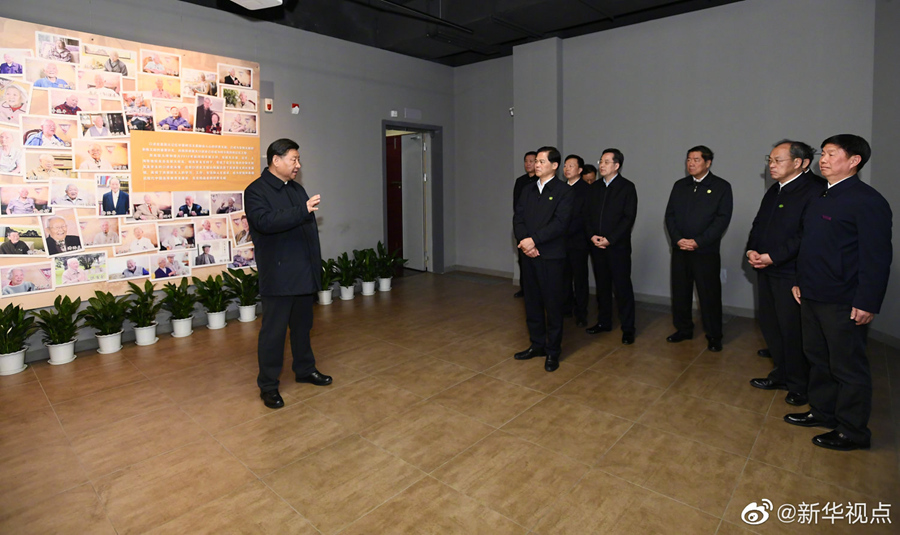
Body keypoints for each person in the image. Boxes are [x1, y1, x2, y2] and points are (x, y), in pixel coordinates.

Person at [785, 134, 892, 451]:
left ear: (854, 160)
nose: (824, 159)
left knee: (847, 367)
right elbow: (810, 246)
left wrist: (867, 301)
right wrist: (800, 281)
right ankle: (823, 411)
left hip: (843, 300)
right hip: (812, 294)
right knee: (818, 358)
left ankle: (852, 431)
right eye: (824, 153)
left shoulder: (867, 201)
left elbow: (876, 257)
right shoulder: (821, 196)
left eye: (832, 153)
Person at [245, 138, 332, 410]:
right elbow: (265, 222)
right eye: (293, 159)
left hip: (303, 272)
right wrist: (301, 210)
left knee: (303, 328)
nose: (298, 165)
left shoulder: (297, 189)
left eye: (298, 160)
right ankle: (268, 386)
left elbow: (308, 232)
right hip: (279, 275)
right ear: (276, 160)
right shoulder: (256, 191)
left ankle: (305, 369)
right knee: (274, 334)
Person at [746, 140, 823, 406]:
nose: (771, 165)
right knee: (771, 325)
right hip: (766, 268)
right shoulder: (775, 189)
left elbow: (806, 234)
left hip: (792, 273)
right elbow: (759, 223)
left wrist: (774, 257)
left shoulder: (815, 190)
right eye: (770, 160)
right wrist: (752, 250)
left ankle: (800, 385)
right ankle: (781, 374)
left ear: (800, 163)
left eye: (778, 160)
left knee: (793, 331)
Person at [664, 145, 733, 352]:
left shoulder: (721, 187)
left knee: (709, 295)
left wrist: (698, 241)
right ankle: (683, 329)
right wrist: (678, 239)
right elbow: (670, 216)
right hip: (680, 250)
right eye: (688, 159)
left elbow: (722, 220)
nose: (691, 164)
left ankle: (714, 335)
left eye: (696, 160)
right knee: (680, 292)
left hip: (705, 252)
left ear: (708, 163)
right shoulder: (680, 185)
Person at [513, 146, 574, 373]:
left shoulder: (564, 191)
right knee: (532, 303)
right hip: (529, 255)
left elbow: (560, 223)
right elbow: (518, 218)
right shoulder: (527, 189)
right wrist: (525, 242)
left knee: (553, 304)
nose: (536, 165)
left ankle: (553, 351)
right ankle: (537, 344)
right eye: (536, 161)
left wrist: (534, 241)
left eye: (541, 161)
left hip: (551, 257)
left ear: (554, 165)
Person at [585, 148, 638, 344]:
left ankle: (628, 328)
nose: (601, 165)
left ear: (617, 165)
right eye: (601, 161)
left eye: (606, 162)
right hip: (596, 246)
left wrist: (610, 239)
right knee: (602, 286)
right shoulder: (594, 188)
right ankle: (604, 322)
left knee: (622, 288)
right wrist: (592, 236)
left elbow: (628, 218)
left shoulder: (627, 187)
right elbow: (587, 215)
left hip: (617, 247)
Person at [561, 154, 590, 327]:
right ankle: (566, 307)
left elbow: (584, 217)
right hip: (561, 241)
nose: (566, 169)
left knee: (580, 278)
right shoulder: (560, 188)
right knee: (564, 276)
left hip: (578, 240)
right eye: (565, 165)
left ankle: (581, 312)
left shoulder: (586, 190)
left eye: (571, 166)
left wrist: (564, 230)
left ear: (579, 170)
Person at [512, 151, 537, 298]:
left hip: (536, 229)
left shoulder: (540, 181)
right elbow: (517, 205)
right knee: (523, 260)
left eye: (531, 161)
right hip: (523, 227)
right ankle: (524, 288)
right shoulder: (520, 181)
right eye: (526, 161)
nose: (528, 164)